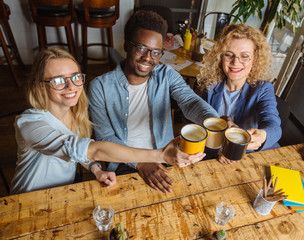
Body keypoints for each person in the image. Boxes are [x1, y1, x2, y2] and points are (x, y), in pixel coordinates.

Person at [10, 48, 204, 195]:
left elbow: (80, 152)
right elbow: (93, 149)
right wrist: (160, 155)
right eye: (58, 81)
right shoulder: (30, 124)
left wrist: (95, 170)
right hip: (28, 199)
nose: (71, 86)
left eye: (75, 77)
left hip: (64, 191)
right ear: (40, 86)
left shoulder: (77, 110)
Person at [88, 10, 219, 193]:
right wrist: (141, 162)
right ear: (126, 45)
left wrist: (215, 122)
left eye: (156, 52)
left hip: (167, 156)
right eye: (141, 48)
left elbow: (190, 101)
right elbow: (105, 137)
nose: (148, 58)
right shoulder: (100, 87)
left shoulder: (166, 75)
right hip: (124, 164)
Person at [197, 24, 282, 165]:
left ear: (255, 59)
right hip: (218, 157)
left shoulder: (263, 88)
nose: (235, 62)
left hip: (252, 158)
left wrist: (263, 136)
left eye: (245, 56)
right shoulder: (211, 86)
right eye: (229, 55)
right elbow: (203, 126)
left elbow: (273, 124)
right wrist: (220, 149)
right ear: (220, 56)